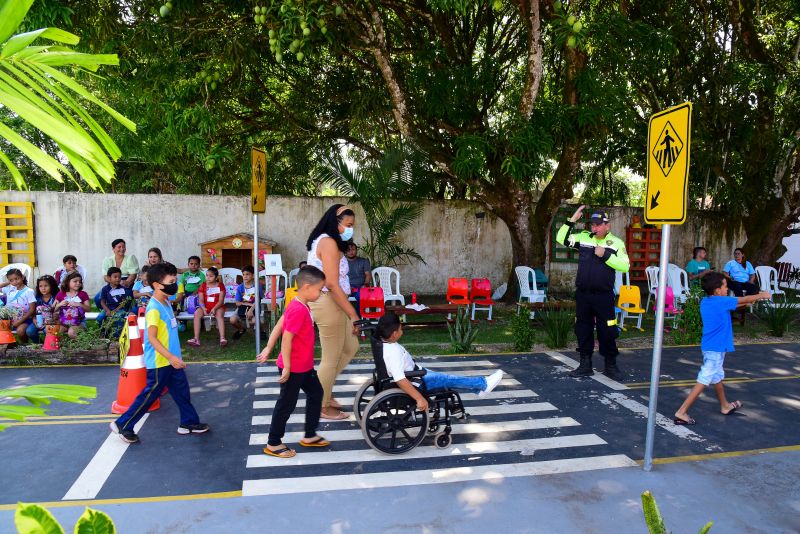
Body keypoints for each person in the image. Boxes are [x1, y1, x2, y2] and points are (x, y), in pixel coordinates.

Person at [109, 262, 210, 444]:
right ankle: (123, 424)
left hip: (172, 361)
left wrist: (174, 358)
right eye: (171, 281)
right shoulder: (154, 308)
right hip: (160, 362)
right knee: (149, 396)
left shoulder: (166, 303)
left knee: (182, 392)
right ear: (156, 284)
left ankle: (188, 422)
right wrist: (171, 357)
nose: (175, 285)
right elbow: (152, 339)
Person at [674, 272, 770, 425]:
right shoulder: (721, 301)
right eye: (725, 286)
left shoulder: (707, 301)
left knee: (717, 376)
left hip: (711, 347)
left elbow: (736, 303)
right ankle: (682, 411)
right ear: (717, 290)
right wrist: (761, 295)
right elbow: (742, 299)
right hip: (715, 349)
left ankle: (725, 406)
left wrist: (746, 302)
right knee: (704, 378)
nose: (727, 288)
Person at [256, 266, 329, 458]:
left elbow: (280, 324)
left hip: (304, 366)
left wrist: (268, 348)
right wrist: (286, 367)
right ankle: (273, 442)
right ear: (306, 287)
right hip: (294, 367)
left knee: (316, 393)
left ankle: (310, 435)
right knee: (286, 404)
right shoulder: (298, 309)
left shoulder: (297, 303)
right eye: (319, 290)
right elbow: (287, 338)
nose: (321, 293)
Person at [555, 205, 630, 379]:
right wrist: (571, 220)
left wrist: (605, 254)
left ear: (607, 225)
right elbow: (561, 238)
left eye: (597, 224)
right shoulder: (584, 238)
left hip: (603, 296)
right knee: (583, 329)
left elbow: (625, 266)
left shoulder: (616, 243)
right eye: (592, 225)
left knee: (607, 331)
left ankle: (610, 366)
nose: (594, 228)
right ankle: (585, 365)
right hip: (583, 295)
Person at [377, 312, 504, 409]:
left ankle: (478, 389)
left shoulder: (381, 343)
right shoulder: (393, 351)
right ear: (394, 334)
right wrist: (419, 398)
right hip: (416, 381)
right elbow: (400, 379)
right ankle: (483, 385)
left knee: (446, 379)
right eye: (400, 329)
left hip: (416, 373)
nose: (402, 331)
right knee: (450, 379)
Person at [306, 204, 361, 420]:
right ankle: (322, 404)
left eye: (352, 226)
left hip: (335, 301)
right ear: (335, 222)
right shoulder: (328, 242)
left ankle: (323, 389)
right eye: (347, 225)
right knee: (331, 356)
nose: (350, 230)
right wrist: (354, 315)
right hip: (329, 302)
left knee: (351, 346)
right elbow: (332, 284)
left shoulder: (326, 240)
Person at [188, 267, 227, 347]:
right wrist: (203, 308)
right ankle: (196, 339)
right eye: (207, 275)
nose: (208, 278)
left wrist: (214, 308)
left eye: (211, 276)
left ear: (216, 277)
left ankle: (222, 338)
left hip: (218, 306)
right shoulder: (203, 285)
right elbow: (201, 300)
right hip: (205, 306)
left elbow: (221, 301)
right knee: (197, 314)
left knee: (219, 315)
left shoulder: (220, 285)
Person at [1, 269, 36, 343]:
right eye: (11, 280)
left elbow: (32, 309)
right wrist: (9, 282)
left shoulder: (29, 291)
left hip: (25, 319)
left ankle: (25, 345)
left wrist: (19, 321)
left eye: (17, 279)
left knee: (20, 331)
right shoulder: (9, 288)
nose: (15, 282)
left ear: (22, 277)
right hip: (10, 319)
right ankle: (9, 345)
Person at [99, 267, 134, 338]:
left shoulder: (122, 289)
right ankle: (104, 333)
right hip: (108, 308)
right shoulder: (105, 289)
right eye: (115, 277)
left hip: (119, 309)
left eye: (119, 277)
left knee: (118, 317)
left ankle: (117, 336)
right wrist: (107, 310)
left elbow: (124, 302)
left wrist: (115, 310)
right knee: (100, 317)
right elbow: (102, 302)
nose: (118, 279)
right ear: (109, 278)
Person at [54, 272, 91, 339]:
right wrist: (60, 304)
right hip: (63, 322)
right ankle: (62, 347)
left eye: (80, 281)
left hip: (79, 323)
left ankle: (78, 347)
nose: (78, 283)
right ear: (68, 282)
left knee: (71, 332)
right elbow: (53, 309)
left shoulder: (83, 294)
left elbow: (88, 309)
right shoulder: (61, 294)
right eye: (75, 281)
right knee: (57, 332)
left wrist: (79, 304)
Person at [230, 265, 259, 340]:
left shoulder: (257, 286)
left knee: (254, 321)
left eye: (247, 274)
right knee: (232, 320)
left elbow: (258, 300)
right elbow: (237, 303)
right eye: (243, 274)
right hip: (242, 308)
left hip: (254, 307)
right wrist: (248, 304)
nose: (245, 276)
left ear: (252, 275)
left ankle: (262, 331)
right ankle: (241, 329)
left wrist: (251, 310)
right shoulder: (240, 287)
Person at [27, 275, 58, 343]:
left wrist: (51, 321)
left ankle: (51, 345)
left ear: (52, 286)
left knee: (47, 331)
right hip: (39, 321)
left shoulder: (55, 298)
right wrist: (34, 319)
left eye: (46, 286)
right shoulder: (37, 298)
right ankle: (39, 344)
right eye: (41, 286)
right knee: (29, 331)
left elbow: (58, 313)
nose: (43, 288)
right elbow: (34, 311)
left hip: (51, 321)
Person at [345, 242, 372, 315]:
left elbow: (368, 275)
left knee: (361, 296)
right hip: (346, 288)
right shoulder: (342, 262)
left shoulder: (364, 261)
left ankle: (357, 318)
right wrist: (346, 287)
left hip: (360, 287)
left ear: (356, 250)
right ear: (345, 251)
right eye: (348, 250)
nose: (351, 252)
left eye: (353, 249)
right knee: (338, 297)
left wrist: (365, 284)